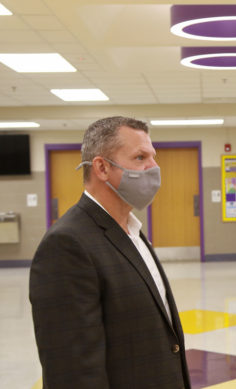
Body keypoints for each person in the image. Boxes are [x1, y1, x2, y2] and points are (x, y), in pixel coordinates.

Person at [29, 116, 191, 389]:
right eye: (140, 157)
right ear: (102, 167)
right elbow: (73, 370)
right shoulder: (67, 244)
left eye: (153, 156)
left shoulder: (131, 231)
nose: (154, 167)